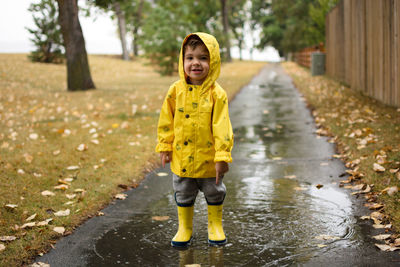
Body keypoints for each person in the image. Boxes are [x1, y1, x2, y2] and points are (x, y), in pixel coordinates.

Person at [155, 32, 234, 247]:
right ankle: (184, 227)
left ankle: (215, 225)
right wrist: (165, 145)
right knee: (183, 190)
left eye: (203, 58)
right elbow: (166, 120)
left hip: (209, 160)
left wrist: (222, 156)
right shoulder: (175, 91)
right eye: (190, 58)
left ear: (213, 61)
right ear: (182, 61)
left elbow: (222, 126)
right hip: (182, 158)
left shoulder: (217, 94)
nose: (196, 63)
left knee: (214, 190)